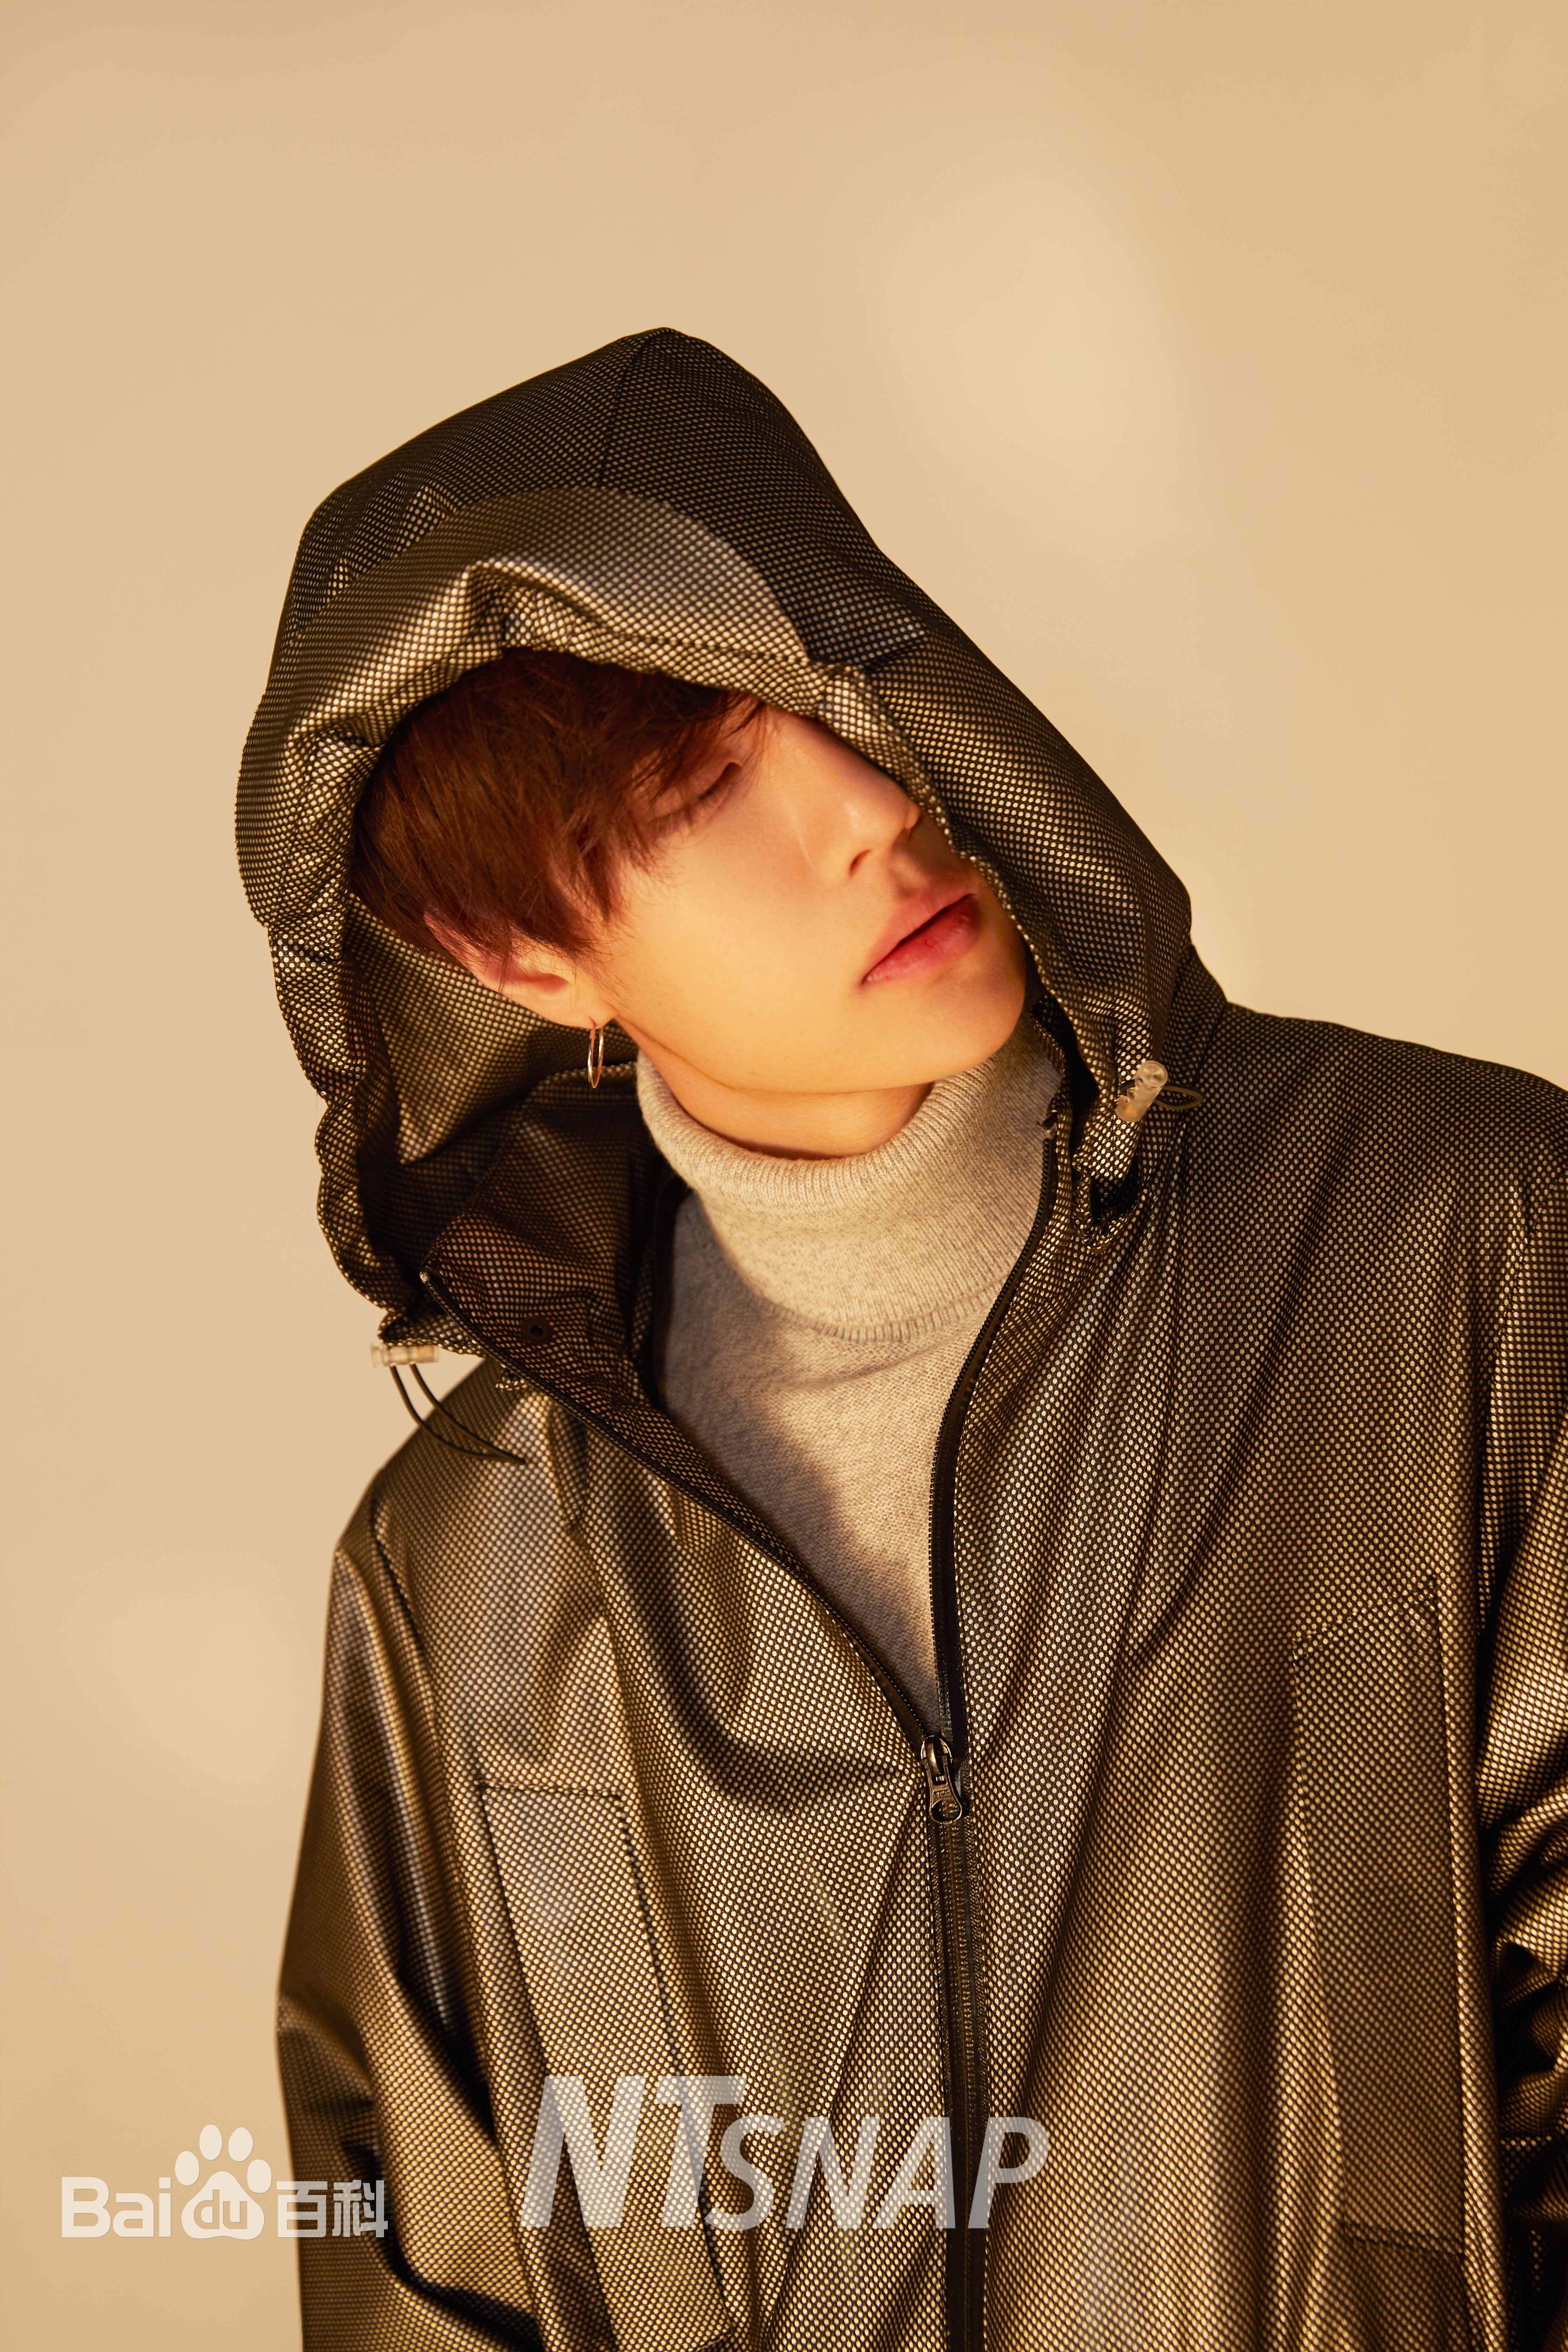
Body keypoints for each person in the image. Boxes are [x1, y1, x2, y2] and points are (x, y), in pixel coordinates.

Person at [239, 328, 1568, 2352]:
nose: (874, 806)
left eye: (844, 701)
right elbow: (423, 2262)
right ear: (520, 957)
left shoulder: (1458, 1239)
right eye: (707, 789)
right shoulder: (467, 1571)